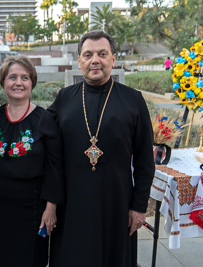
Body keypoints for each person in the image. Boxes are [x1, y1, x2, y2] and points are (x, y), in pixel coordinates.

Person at [48, 31, 155, 267]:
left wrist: (139, 206)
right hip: (73, 203)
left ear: (113, 59)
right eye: (88, 54)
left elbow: (145, 160)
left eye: (102, 54)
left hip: (116, 203)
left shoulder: (133, 100)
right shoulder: (65, 98)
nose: (95, 60)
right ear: (79, 61)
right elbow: (40, 134)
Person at [0, 55, 64, 266]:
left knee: (31, 259)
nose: (18, 83)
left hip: (33, 205)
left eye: (25, 77)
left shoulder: (44, 119)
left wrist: (51, 208)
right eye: (12, 77)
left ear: (32, 83)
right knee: (2, 257)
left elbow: (55, 166)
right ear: (3, 83)